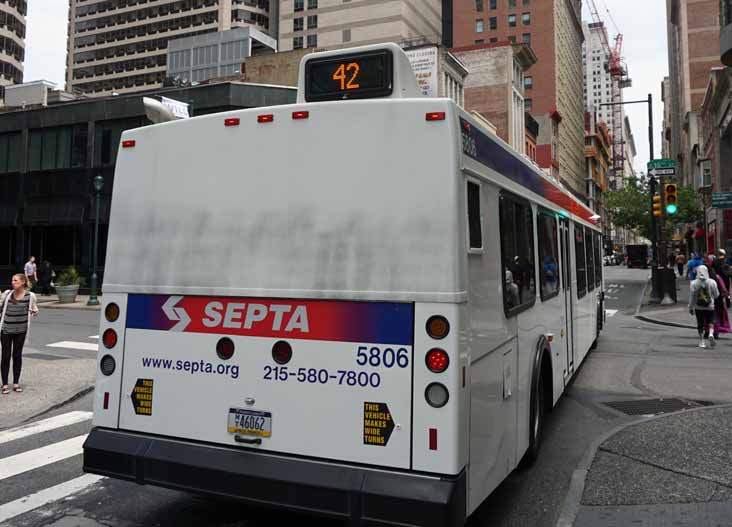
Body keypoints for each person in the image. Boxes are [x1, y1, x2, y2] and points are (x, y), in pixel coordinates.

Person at [0, 274, 38, 394]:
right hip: (6, 329)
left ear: (22, 282)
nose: (13, 282)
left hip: (21, 330)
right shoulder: (7, 294)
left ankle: (16, 383)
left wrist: (35, 311)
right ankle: (5, 384)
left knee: (17, 355)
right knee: (5, 356)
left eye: (15, 280)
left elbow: (34, 308)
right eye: (12, 280)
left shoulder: (30, 296)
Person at [689, 265, 720, 349]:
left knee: (700, 324)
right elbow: (717, 295)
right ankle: (710, 333)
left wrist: (690, 307)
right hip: (710, 306)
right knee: (711, 321)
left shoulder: (693, 283)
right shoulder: (712, 282)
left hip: (698, 307)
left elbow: (692, 297)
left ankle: (702, 341)